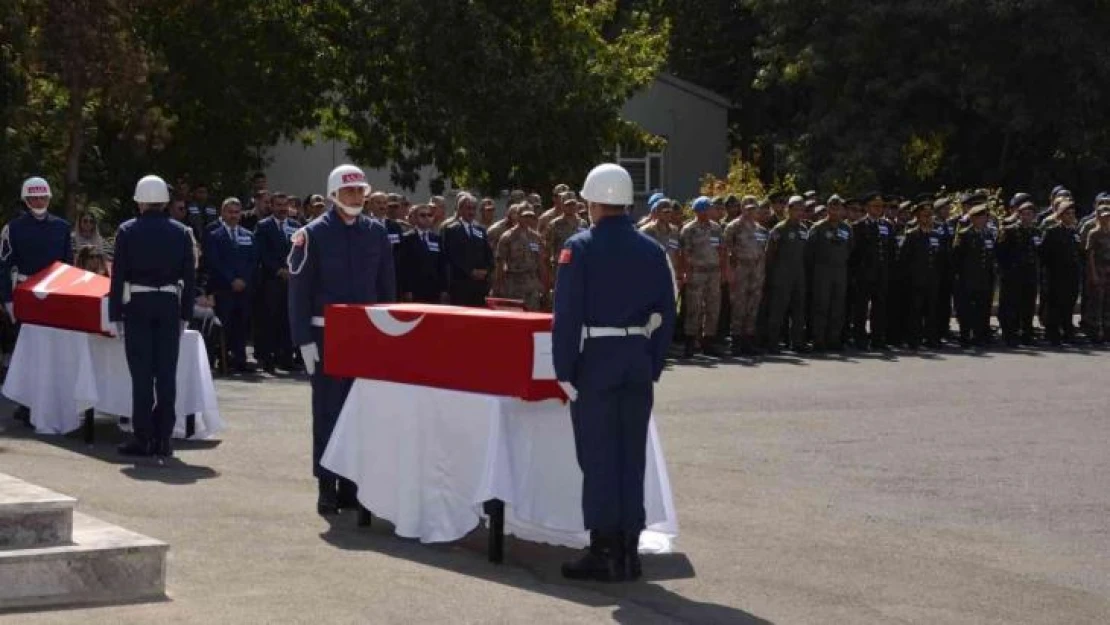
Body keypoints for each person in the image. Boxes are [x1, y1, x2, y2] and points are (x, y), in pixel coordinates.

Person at [552, 163, 676, 582]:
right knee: (631, 458)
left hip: (598, 361)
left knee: (600, 458)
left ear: (591, 202)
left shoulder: (580, 246)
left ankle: (605, 550)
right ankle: (629, 550)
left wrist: (564, 369)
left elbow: (566, 315)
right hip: (636, 360)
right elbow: (668, 313)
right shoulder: (652, 249)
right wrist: (652, 362)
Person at [288, 164, 396, 515]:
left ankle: (352, 485)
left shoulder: (377, 233)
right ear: (334, 195)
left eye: (360, 191)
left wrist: (385, 335)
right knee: (328, 411)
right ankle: (326, 485)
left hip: (364, 334)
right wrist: (303, 339)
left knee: (360, 411)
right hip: (325, 334)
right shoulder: (312, 234)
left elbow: (385, 288)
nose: (356, 197)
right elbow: (299, 292)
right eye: (349, 192)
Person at [109, 175, 196, 459]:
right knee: (166, 375)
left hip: (138, 304)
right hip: (169, 304)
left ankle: (143, 437)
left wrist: (115, 313)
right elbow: (190, 277)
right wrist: (185, 313)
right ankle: (164, 438)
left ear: (140, 201)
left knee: (142, 376)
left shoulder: (127, 231)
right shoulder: (182, 232)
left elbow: (118, 275)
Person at [0, 177, 73, 426]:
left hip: (55, 293)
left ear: (49, 198)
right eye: (33, 198)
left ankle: (53, 401)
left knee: (54, 351)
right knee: (27, 352)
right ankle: (26, 403)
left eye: (42, 197)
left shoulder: (63, 228)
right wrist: (8, 300)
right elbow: (3, 266)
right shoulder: (13, 228)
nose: (38, 201)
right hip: (27, 294)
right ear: (26, 200)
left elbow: (69, 267)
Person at [204, 198, 258, 372]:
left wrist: (243, 279)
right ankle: (223, 359)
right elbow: (215, 262)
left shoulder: (248, 235)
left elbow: (253, 261)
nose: (234, 216)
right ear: (223, 213)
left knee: (242, 324)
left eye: (237, 212)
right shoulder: (214, 235)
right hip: (224, 288)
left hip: (244, 289)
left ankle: (240, 359)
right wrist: (231, 280)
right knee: (225, 325)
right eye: (230, 212)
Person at [254, 192, 301, 372]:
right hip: (270, 280)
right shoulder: (263, 226)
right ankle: (267, 359)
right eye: (278, 205)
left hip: (291, 280)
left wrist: (291, 269)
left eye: (285, 205)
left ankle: (286, 358)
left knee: (287, 320)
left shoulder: (296, 226)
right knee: (269, 320)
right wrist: (277, 269)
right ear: (271, 207)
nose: (282, 209)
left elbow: (300, 250)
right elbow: (261, 252)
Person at [677, 196, 726, 357]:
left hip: (713, 272)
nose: (713, 210)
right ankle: (690, 342)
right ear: (701, 210)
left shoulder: (716, 228)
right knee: (694, 308)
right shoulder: (689, 229)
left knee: (713, 307)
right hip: (696, 272)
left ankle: (708, 341)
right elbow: (684, 253)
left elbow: (721, 249)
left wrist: (723, 270)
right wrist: (685, 272)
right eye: (710, 207)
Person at [762, 195, 810, 353]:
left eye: (802, 209)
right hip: (782, 276)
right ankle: (772, 343)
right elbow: (769, 255)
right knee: (778, 310)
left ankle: (797, 342)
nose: (799, 213)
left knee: (799, 311)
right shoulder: (779, 229)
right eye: (796, 209)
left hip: (799, 276)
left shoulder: (804, 230)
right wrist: (772, 275)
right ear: (789, 210)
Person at [805, 195, 853, 351]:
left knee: (838, 306)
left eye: (838, 207)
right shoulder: (818, 228)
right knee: (821, 305)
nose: (835, 210)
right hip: (822, 271)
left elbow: (850, 249)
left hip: (840, 271)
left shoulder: (847, 228)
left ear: (842, 210)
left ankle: (834, 340)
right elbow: (809, 252)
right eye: (832, 207)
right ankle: (819, 340)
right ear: (827, 208)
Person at [849, 192, 895, 350]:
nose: (879, 209)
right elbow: (854, 254)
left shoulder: (887, 225)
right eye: (875, 206)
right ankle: (859, 338)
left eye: (881, 206)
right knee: (861, 307)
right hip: (864, 273)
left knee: (880, 307)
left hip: (882, 273)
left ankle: (877, 338)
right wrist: (855, 274)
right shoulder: (858, 226)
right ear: (867, 207)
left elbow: (891, 250)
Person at [723, 197, 768, 356]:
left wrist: (762, 273)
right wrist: (728, 270)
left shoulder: (761, 230)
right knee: (738, 306)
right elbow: (725, 251)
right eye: (747, 208)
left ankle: (748, 341)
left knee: (753, 306)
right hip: (739, 271)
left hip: (756, 273)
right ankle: (736, 342)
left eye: (753, 209)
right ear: (742, 209)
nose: (750, 211)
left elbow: (763, 253)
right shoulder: (733, 227)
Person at [896, 202, 941, 349]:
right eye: (925, 216)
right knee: (915, 310)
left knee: (932, 310)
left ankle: (930, 338)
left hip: (932, 279)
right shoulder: (912, 235)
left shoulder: (936, 234)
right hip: (916, 280)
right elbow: (904, 259)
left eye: (930, 215)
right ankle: (914, 339)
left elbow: (940, 258)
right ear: (918, 217)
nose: (928, 219)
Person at [951, 201, 996, 347]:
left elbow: (990, 257)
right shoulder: (965, 235)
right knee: (966, 309)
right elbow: (957, 258)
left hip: (984, 278)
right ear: (973, 219)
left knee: (982, 308)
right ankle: (965, 336)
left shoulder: (988, 234)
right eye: (981, 217)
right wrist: (959, 277)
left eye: (985, 217)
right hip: (967, 278)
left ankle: (980, 335)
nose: (984, 220)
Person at [996, 201, 1040, 346]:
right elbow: (1000, 253)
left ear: (1034, 216)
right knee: (1012, 305)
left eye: (1030, 214)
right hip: (1013, 275)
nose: (1027, 217)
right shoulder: (1010, 231)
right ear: (1018, 215)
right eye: (1024, 214)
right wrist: (1006, 271)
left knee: (1028, 305)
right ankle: (1010, 334)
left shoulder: (1036, 231)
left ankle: (1026, 333)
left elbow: (1039, 253)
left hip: (1030, 274)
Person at [442, 193, 494, 306]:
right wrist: (470, 271)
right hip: (461, 284)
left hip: (480, 285)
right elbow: (452, 256)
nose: (471, 212)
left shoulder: (480, 229)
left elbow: (488, 254)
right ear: (460, 209)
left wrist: (486, 271)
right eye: (468, 208)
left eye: (474, 209)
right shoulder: (452, 229)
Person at [493, 206, 548, 310]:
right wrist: (498, 287)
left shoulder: (536, 237)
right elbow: (500, 264)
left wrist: (544, 286)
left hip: (532, 286)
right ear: (518, 217)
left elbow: (541, 263)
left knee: (532, 319)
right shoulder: (507, 237)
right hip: (513, 286)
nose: (528, 219)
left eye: (530, 216)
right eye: (525, 216)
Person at [397, 205, 449, 303]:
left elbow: (442, 265)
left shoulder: (437, 239)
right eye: (423, 215)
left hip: (434, 290)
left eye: (429, 215)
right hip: (415, 290)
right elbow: (404, 267)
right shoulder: (407, 238)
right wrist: (407, 290)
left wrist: (444, 289)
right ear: (416, 218)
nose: (427, 218)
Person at [1085, 206, 1110, 344]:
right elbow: (1090, 255)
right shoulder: (1093, 233)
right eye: (1104, 216)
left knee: (1108, 301)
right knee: (1097, 301)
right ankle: (1094, 331)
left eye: (1108, 216)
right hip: (1099, 269)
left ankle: (1107, 330)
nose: (1106, 219)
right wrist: (1093, 273)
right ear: (1098, 217)